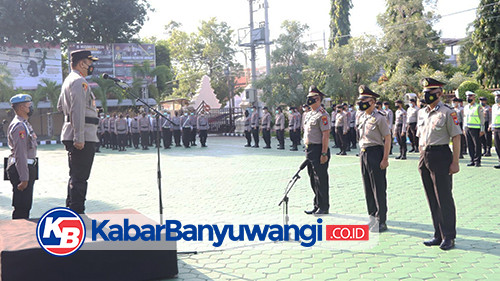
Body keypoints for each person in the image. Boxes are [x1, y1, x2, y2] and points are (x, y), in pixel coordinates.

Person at [417, 78, 461, 251]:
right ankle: (438, 234)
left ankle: (449, 236)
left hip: (441, 155)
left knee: (444, 198)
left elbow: (456, 137)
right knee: (431, 197)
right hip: (425, 156)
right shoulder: (423, 112)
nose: (426, 94)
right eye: (425, 91)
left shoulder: (448, 112)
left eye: (431, 91)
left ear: (440, 93)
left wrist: (455, 162)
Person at [57, 49, 99, 214]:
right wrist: (79, 136)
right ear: (82, 63)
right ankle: (77, 213)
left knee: (75, 176)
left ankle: (71, 211)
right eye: (89, 63)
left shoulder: (69, 80)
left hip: (73, 132)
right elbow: (78, 109)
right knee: (80, 178)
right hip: (83, 136)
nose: (91, 67)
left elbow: (61, 106)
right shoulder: (79, 81)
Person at [356, 85, 391, 232]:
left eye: (364, 99)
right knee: (368, 187)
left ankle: (381, 220)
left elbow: (387, 138)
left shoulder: (379, 118)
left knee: (378, 188)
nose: (361, 102)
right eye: (360, 99)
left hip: (376, 152)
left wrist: (385, 158)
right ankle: (372, 216)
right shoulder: (362, 117)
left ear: (372, 101)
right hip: (364, 153)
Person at [6, 94, 38, 219]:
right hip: (21, 169)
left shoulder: (25, 124)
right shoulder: (19, 126)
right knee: (21, 207)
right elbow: (20, 154)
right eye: (29, 106)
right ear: (21, 108)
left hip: (27, 166)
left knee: (25, 206)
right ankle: (18, 235)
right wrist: (24, 178)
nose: (31, 108)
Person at [303, 86, 331, 215]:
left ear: (318, 99)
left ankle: (324, 207)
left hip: (319, 149)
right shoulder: (309, 114)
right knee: (313, 179)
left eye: (311, 98)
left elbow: (325, 135)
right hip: (309, 150)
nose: (309, 100)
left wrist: (324, 153)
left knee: (321, 179)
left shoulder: (323, 115)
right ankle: (317, 204)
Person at [463, 91, 484, 167]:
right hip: (467, 128)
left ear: (474, 98)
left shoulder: (478, 106)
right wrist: (464, 128)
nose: (468, 98)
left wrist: (482, 129)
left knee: (477, 145)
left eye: (470, 96)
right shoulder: (466, 107)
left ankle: (477, 161)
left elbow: (482, 119)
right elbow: (465, 118)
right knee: (470, 145)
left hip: (476, 128)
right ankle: (472, 160)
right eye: (467, 96)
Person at [491, 91, 500, 169]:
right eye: (496, 97)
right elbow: (493, 117)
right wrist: (491, 126)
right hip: (496, 128)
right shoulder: (494, 106)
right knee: (497, 146)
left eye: (498, 96)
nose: (497, 98)